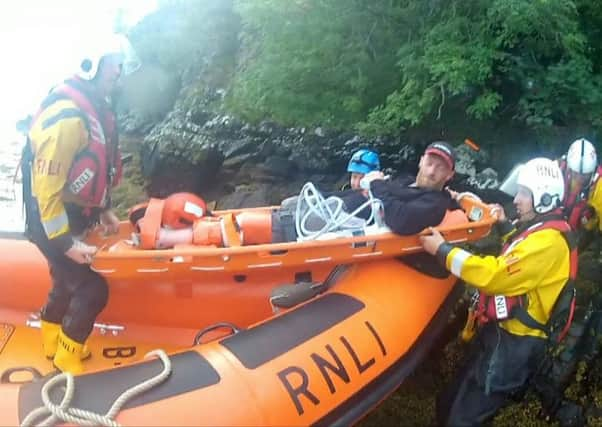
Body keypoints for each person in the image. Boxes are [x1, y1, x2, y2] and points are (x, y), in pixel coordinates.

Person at [420, 157, 577, 426]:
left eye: (524, 194)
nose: (516, 200)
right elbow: (518, 253)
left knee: (464, 418)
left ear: (546, 199)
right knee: (449, 399)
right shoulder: (538, 230)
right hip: (499, 332)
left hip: (515, 345)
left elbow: (494, 275)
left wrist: (442, 251)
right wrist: (505, 226)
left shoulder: (548, 243)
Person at [22, 33, 141, 374]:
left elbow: (91, 172)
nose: (118, 73)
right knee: (92, 288)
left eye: (120, 66)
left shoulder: (95, 112)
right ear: (92, 66)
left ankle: (50, 341)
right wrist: (64, 243)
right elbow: (46, 190)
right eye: (113, 66)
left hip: (72, 214)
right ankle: (67, 359)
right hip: (49, 220)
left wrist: (102, 208)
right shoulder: (67, 119)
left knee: (64, 281)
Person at [559, 138, 602, 249]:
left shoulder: (599, 187)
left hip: (584, 233)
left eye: (585, 175)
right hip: (558, 225)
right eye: (576, 173)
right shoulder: (558, 170)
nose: (580, 178)